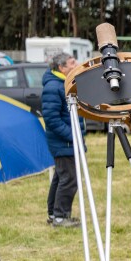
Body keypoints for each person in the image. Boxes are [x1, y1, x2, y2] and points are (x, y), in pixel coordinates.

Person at [41, 52, 83, 228]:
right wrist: (72, 134)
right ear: (61, 68)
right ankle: (60, 217)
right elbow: (51, 118)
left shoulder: (65, 83)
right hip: (63, 141)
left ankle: (53, 214)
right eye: (72, 63)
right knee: (70, 179)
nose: (76, 64)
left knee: (60, 177)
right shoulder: (54, 87)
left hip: (66, 140)